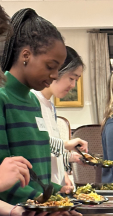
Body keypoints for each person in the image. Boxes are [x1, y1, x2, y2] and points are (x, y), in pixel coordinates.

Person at [0, 8, 82, 216]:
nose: (54, 75)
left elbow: (36, 170)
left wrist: (55, 205)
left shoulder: (32, 100)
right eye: (51, 66)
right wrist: (32, 206)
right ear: (26, 56)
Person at [32, 45, 87, 191]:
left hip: (54, 188)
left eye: (76, 80)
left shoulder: (50, 106)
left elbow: (50, 152)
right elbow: (37, 146)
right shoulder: (32, 101)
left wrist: (67, 163)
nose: (73, 85)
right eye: (71, 78)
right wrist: (66, 144)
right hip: (40, 189)